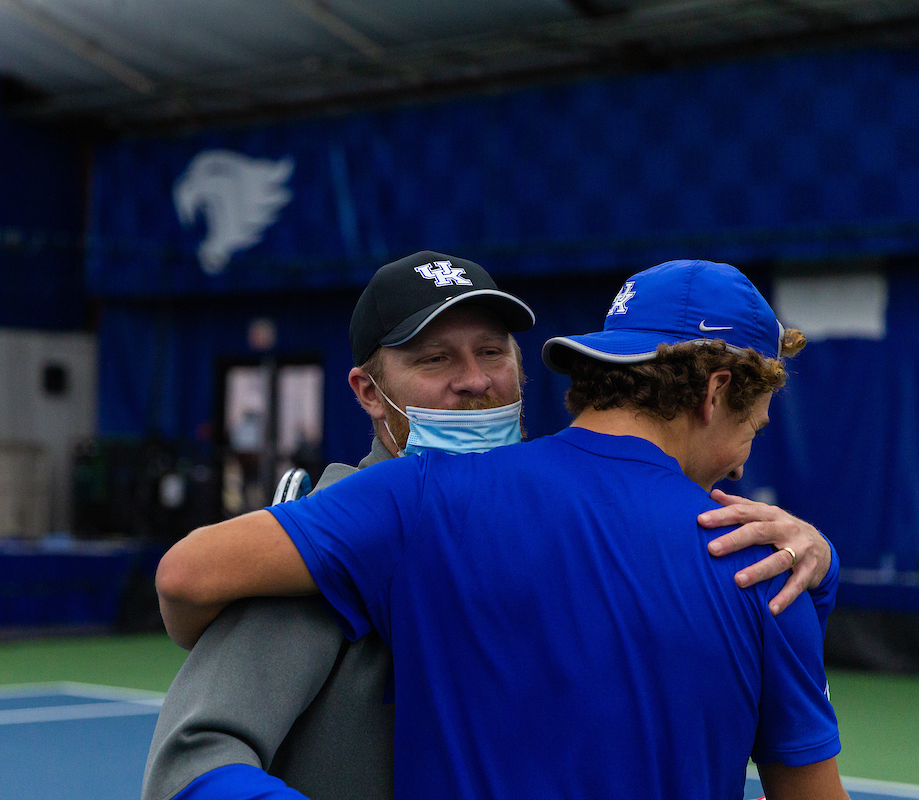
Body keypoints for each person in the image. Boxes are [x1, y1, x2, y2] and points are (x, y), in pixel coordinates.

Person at [148, 256, 840, 800]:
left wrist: (820, 561)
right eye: (435, 358)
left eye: (493, 351)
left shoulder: (425, 502)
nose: (474, 382)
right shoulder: (760, 571)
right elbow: (197, 747)